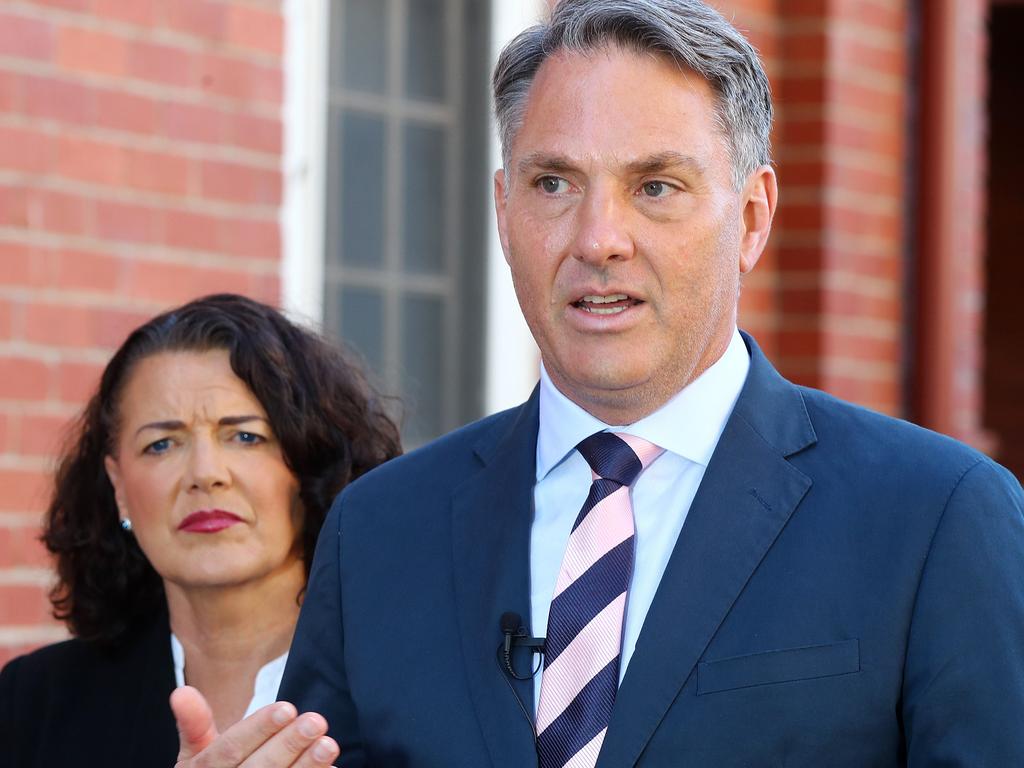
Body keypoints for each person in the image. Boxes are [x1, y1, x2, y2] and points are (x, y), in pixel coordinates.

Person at [172, 1, 1024, 766]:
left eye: (655, 186)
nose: (599, 238)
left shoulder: (937, 518)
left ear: (752, 219)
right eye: (554, 183)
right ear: (505, 212)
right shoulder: (382, 531)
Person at [0, 293, 401, 767]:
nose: (205, 472)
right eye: (162, 444)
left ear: (311, 463)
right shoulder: (34, 703)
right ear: (119, 487)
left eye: (245, 436)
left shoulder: (415, 684)